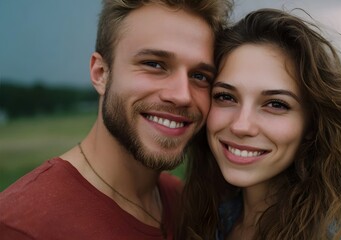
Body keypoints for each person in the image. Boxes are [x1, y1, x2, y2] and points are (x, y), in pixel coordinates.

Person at [0, 0, 232, 239]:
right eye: (154, 64)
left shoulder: (183, 204)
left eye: (199, 76)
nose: (182, 95)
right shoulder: (22, 227)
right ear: (100, 73)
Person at [177, 8, 341, 240]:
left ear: (311, 125)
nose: (241, 126)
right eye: (226, 97)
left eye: (275, 104)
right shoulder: (213, 218)